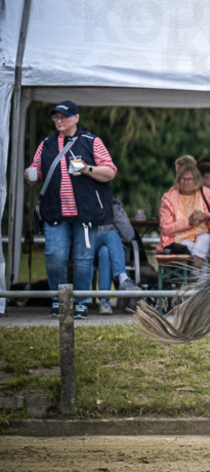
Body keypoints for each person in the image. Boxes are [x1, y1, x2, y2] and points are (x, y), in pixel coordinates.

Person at [25, 100, 119, 319]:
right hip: (55, 211)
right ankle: (59, 300)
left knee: (83, 259)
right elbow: (36, 172)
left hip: (85, 212)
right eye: (56, 117)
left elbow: (110, 171)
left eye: (64, 117)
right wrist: (29, 175)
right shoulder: (46, 144)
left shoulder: (91, 142)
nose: (59, 121)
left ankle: (80, 302)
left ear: (76, 118)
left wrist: (87, 169)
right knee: (54, 256)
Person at [158, 163, 210, 268]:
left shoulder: (205, 193)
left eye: (190, 179)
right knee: (196, 252)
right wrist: (188, 222)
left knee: (205, 238)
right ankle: (201, 281)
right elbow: (166, 229)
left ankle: (195, 274)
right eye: (183, 179)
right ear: (178, 180)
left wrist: (207, 216)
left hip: (202, 237)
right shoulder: (169, 198)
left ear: (196, 180)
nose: (186, 182)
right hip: (180, 240)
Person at [94, 197, 140, 314]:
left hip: (112, 254)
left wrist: (115, 211)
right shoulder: (87, 201)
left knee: (105, 252)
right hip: (90, 248)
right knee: (112, 235)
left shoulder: (113, 204)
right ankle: (123, 279)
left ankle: (105, 302)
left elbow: (129, 235)